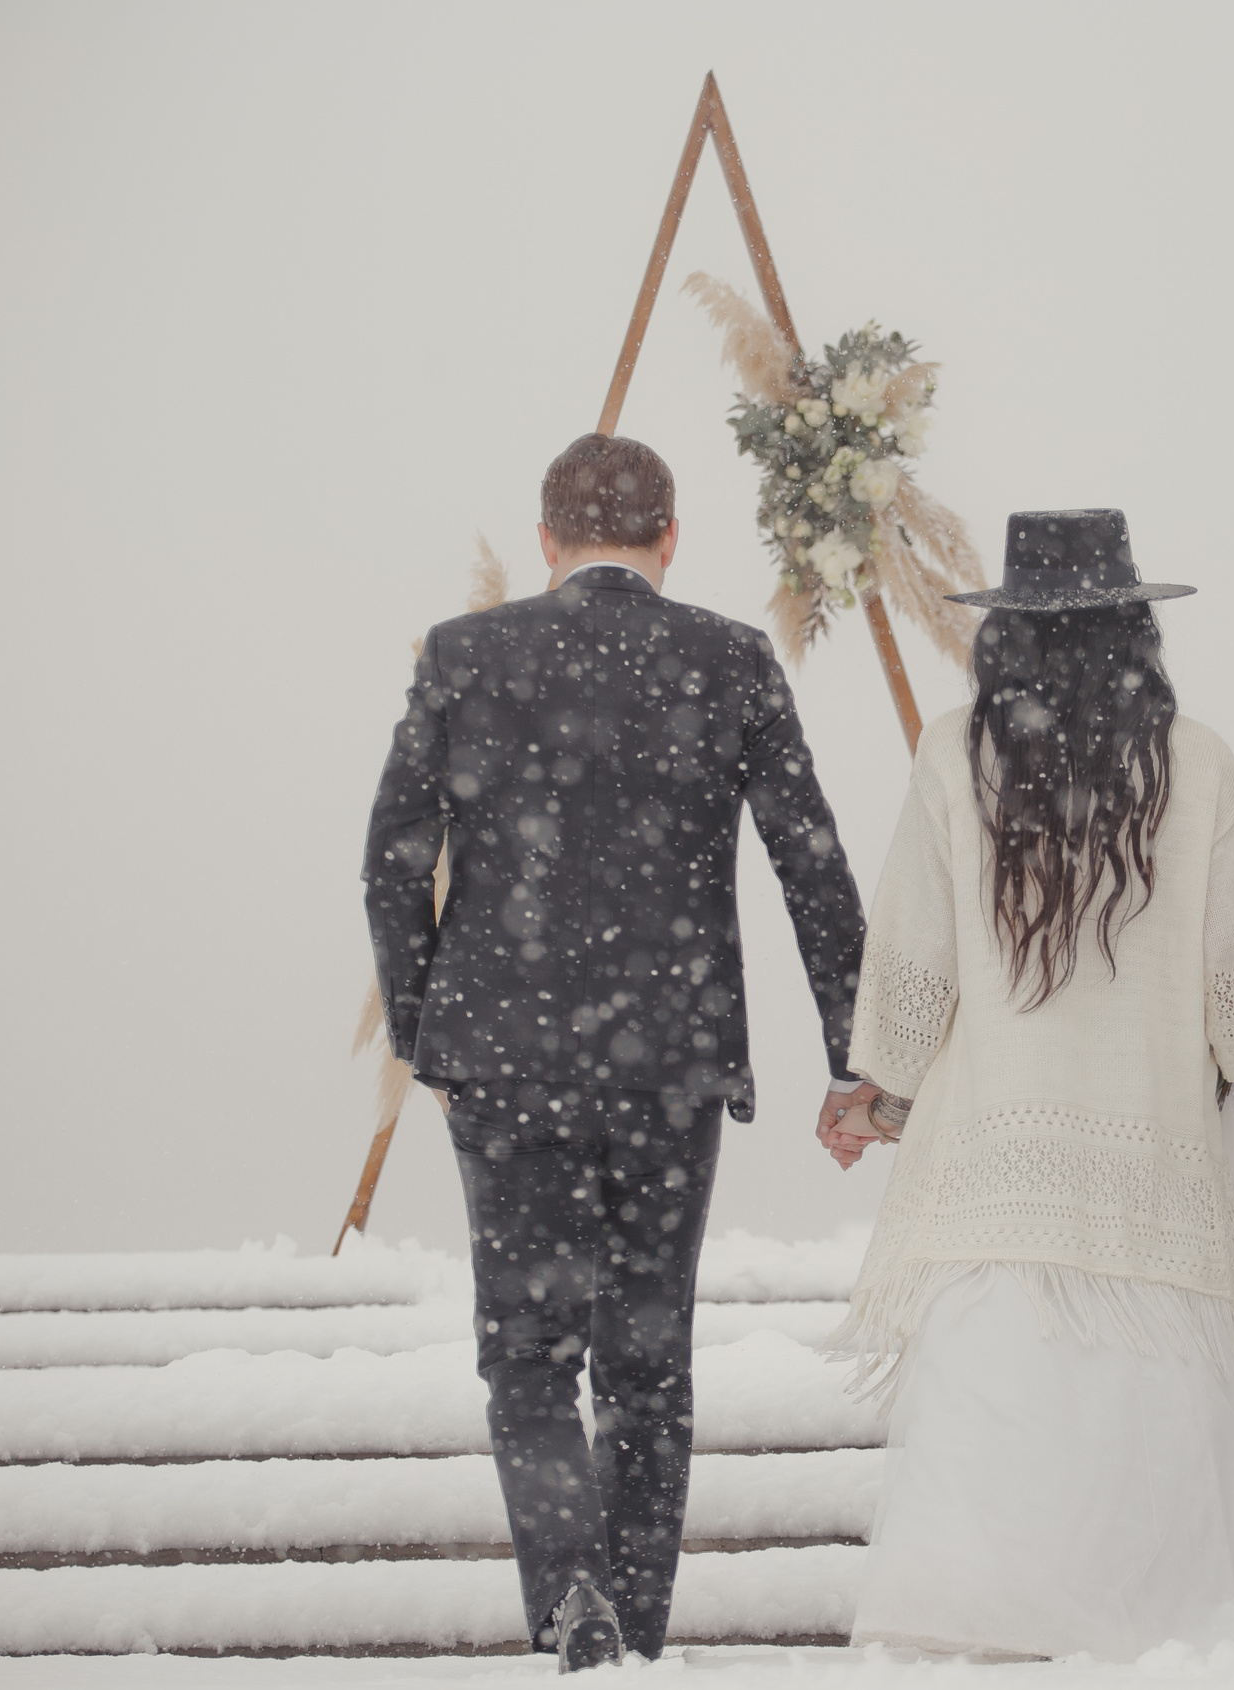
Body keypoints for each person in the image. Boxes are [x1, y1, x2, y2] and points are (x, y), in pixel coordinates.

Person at [818, 510, 1234, 1659]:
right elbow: (1231, 983)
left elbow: (913, 961)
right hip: (1150, 1159)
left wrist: (880, 1090)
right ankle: (1143, 1622)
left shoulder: (954, 753)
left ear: (1004, 633)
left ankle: (986, 1616)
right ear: (1136, 628)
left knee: (999, 1415)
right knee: (1140, 1418)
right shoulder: (1197, 763)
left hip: (997, 1161)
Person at [363, 433, 868, 1670]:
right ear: (670, 537)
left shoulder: (464, 654)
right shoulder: (729, 657)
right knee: (647, 1357)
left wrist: (431, 1032)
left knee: (528, 1355)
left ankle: (573, 1601)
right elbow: (811, 860)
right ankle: (634, 1630)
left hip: (506, 1064)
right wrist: (856, 1052)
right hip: (667, 1061)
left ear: (544, 540)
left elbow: (388, 859)